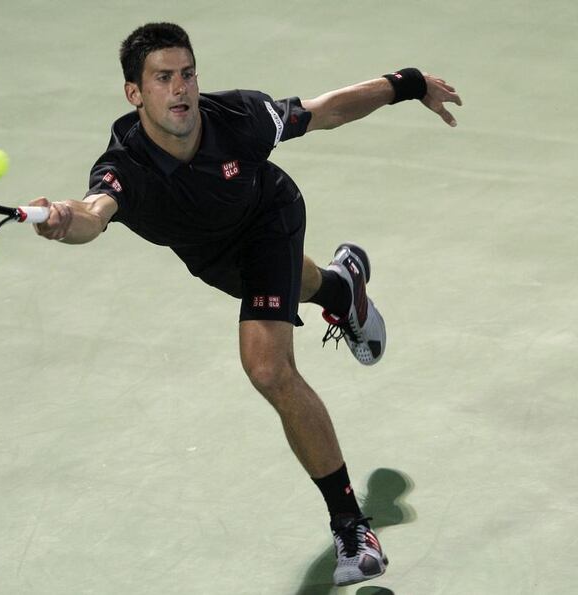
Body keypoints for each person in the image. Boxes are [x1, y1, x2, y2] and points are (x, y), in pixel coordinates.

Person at [28, 22, 461, 587]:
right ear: (135, 94)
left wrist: (405, 84)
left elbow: (325, 110)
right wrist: (63, 220)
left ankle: (351, 525)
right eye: (163, 78)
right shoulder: (124, 166)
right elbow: (93, 212)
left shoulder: (237, 118)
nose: (180, 89)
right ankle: (340, 287)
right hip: (210, 255)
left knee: (267, 366)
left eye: (187, 73)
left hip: (268, 218)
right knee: (290, 290)